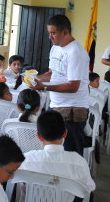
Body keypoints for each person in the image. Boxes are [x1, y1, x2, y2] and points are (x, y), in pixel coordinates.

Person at [31, 14, 90, 156]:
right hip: (55, 105)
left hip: (72, 110)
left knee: (71, 153)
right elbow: (52, 74)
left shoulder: (75, 52)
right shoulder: (55, 48)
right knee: (52, 150)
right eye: (49, 33)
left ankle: (74, 178)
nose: (50, 37)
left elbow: (73, 86)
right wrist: (34, 78)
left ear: (65, 32)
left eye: (53, 33)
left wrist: (44, 87)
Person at [19, 111, 95, 201]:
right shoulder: (79, 162)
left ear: (39, 136)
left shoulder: (26, 159)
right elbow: (89, 188)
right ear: (65, 133)